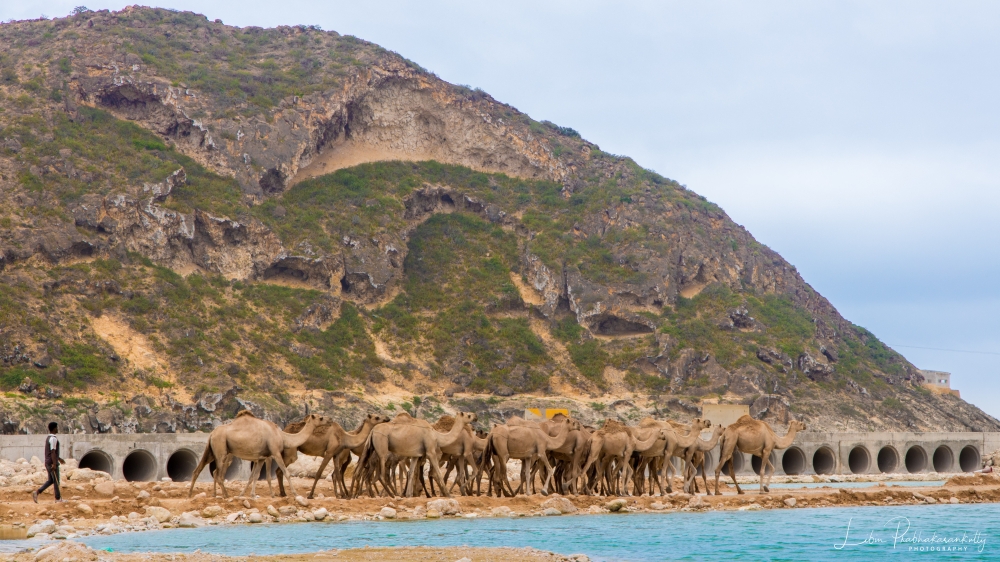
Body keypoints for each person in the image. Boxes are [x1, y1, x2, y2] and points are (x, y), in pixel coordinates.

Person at [32, 422, 65, 503]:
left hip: (47, 462)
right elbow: (53, 452)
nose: (57, 429)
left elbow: (51, 452)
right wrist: (54, 463)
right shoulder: (53, 438)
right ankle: (58, 499)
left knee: (51, 480)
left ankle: (37, 492)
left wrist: (59, 458)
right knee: (56, 481)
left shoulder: (48, 438)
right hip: (51, 463)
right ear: (54, 428)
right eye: (56, 427)